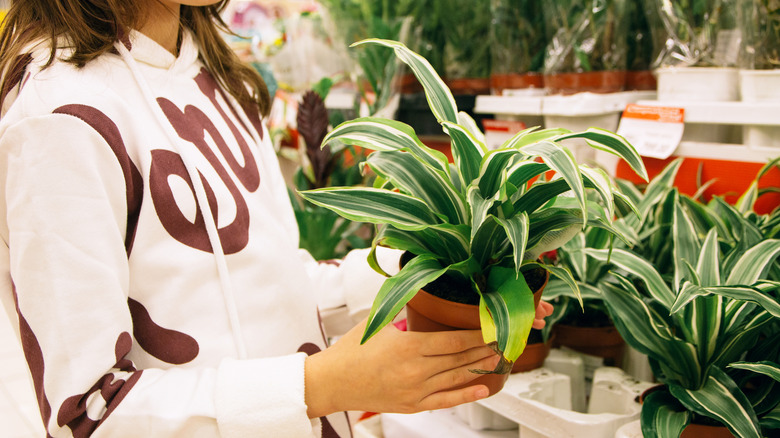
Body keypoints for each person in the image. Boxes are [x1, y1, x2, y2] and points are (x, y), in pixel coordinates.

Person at [0, 1, 554, 437]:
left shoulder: (223, 81)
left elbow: (273, 284)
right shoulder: (58, 119)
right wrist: (321, 385)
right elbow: (89, 412)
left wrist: (436, 275)